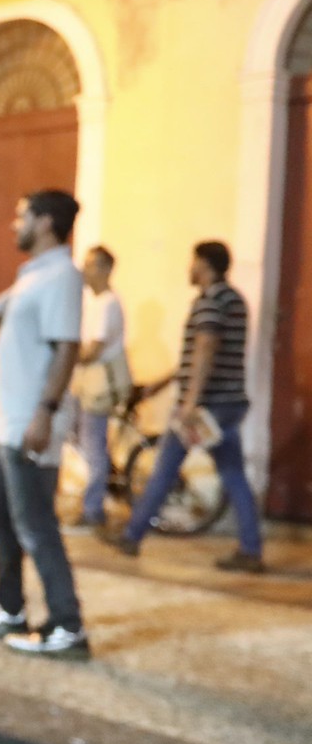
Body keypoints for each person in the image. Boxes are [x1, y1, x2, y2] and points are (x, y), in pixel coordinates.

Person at [0, 190, 89, 659]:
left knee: (35, 525)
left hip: (31, 422)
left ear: (45, 222)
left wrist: (45, 413)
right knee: (0, 518)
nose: (15, 224)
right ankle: (9, 609)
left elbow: (67, 347)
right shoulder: (34, 277)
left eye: (21, 215)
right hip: (10, 423)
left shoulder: (63, 277)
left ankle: (67, 626)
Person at [108, 241, 264, 572]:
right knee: (233, 475)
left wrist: (190, 401)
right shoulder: (234, 300)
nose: (189, 269)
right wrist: (161, 384)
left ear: (205, 265)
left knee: (164, 469)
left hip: (205, 407)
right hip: (230, 403)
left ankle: (132, 535)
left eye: (193, 263)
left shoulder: (209, 301)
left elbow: (205, 347)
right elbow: (195, 357)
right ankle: (251, 548)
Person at [72, 245, 129, 530]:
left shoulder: (107, 303)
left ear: (106, 269)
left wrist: (65, 357)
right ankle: (102, 483)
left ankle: (93, 509)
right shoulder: (94, 301)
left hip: (98, 384)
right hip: (87, 382)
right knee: (84, 439)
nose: (85, 270)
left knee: (92, 444)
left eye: (92, 265)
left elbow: (94, 349)